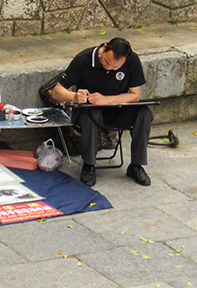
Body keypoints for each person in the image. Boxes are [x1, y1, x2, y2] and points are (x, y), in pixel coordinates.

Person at [52, 38, 153, 187]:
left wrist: (107, 100)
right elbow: (56, 91)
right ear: (104, 48)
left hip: (117, 107)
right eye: (106, 62)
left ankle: (136, 165)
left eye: (116, 67)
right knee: (93, 114)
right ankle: (89, 165)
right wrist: (74, 96)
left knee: (144, 113)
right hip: (89, 110)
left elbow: (134, 95)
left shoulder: (132, 60)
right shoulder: (83, 60)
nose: (110, 68)